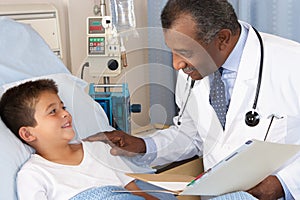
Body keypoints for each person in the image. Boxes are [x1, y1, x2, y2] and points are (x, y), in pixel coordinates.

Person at [84, 0, 300, 199]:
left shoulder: (292, 64)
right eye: (173, 51)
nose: (176, 64)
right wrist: (142, 145)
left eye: (185, 52)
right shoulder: (192, 73)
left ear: (222, 39)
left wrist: (281, 184)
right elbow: (191, 135)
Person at [0, 79, 164, 200]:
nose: (65, 113)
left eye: (63, 107)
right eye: (53, 111)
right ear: (28, 134)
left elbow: (136, 192)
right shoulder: (34, 174)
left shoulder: (99, 149)